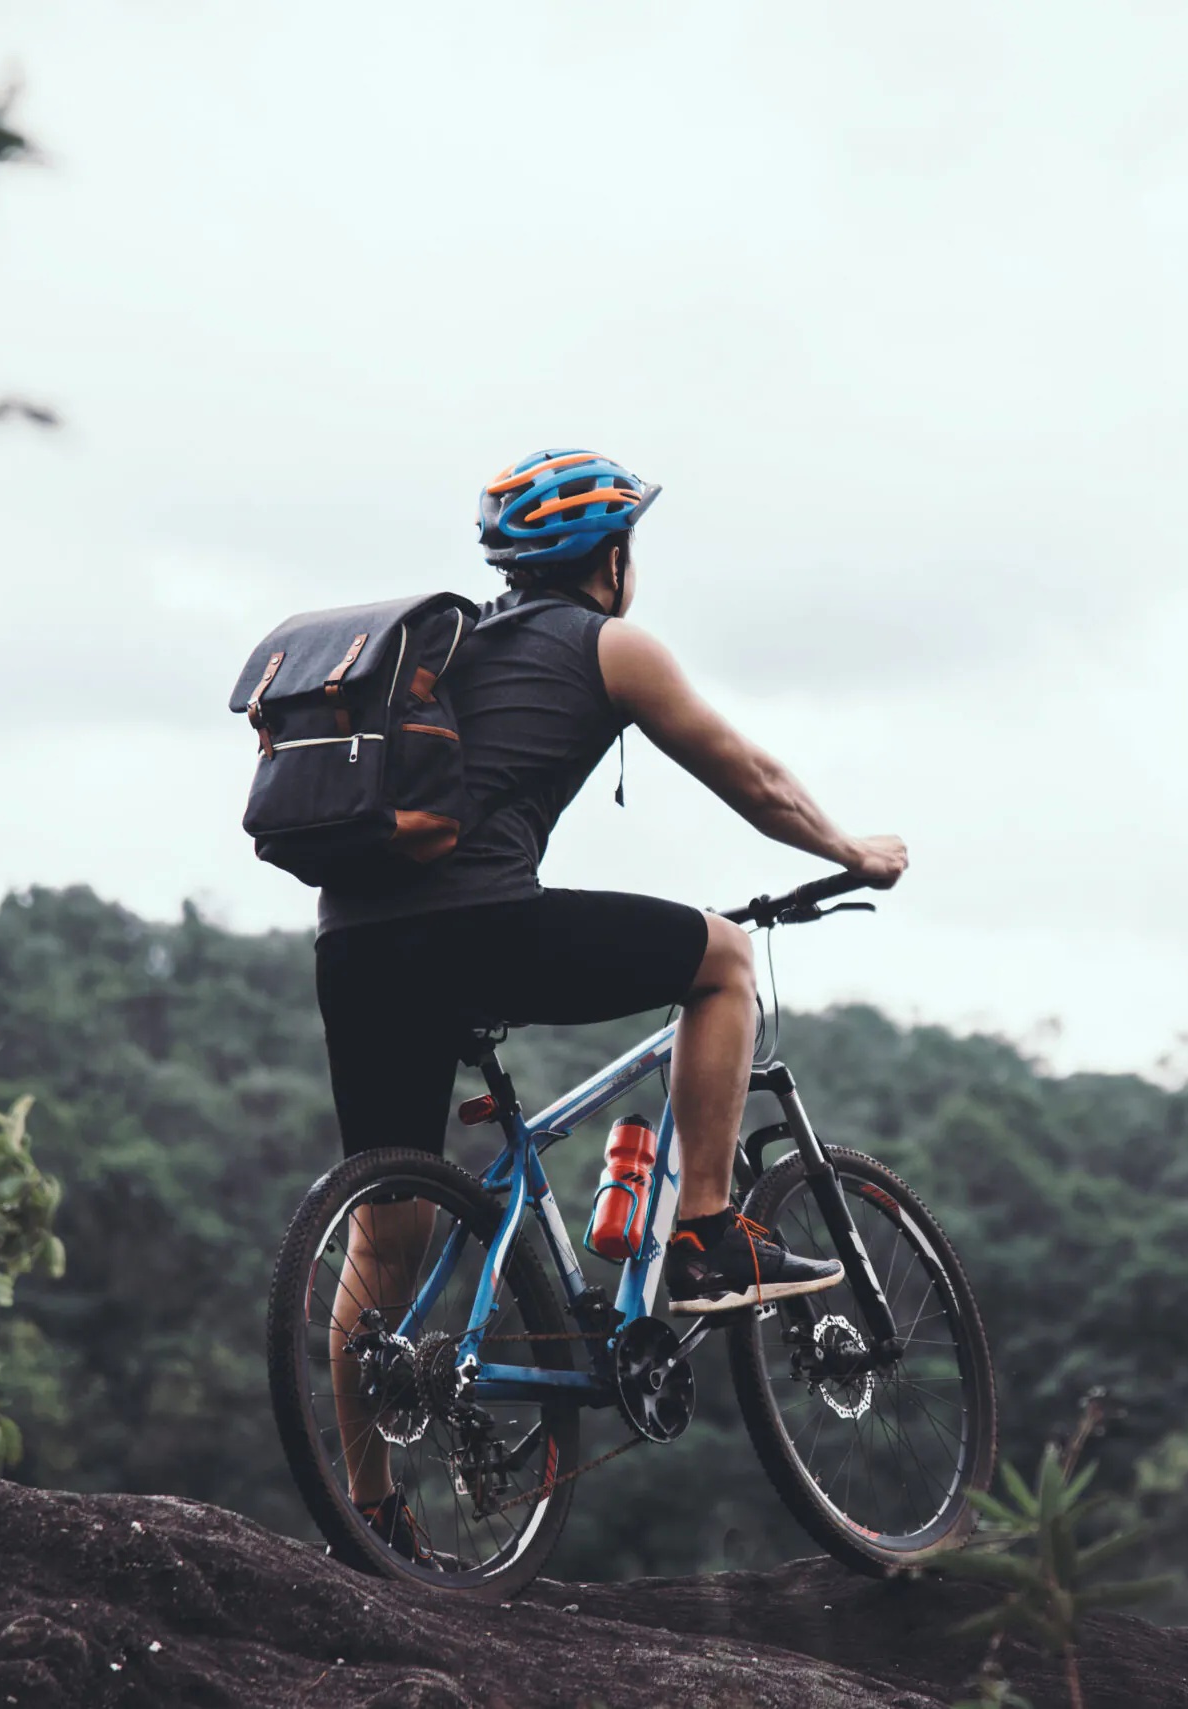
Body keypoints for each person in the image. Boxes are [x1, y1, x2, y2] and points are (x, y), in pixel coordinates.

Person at [316, 448, 906, 1547]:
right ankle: (703, 1235)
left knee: (380, 1232)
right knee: (722, 957)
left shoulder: (450, 651)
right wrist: (849, 850)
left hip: (354, 945)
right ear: (613, 558)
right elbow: (754, 779)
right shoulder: (610, 644)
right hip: (479, 925)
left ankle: (370, 1512)